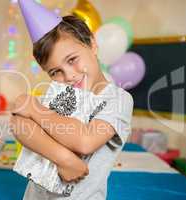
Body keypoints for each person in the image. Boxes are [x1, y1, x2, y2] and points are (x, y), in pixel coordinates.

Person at [10, 0, 134, 199]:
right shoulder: (60, 94)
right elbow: (18, 123)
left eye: (72, 60)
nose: (68, 76)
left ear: (92, 45)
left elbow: (85, 141)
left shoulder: (118, 99)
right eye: (55, 71)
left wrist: (34, 110)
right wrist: (64, 159)